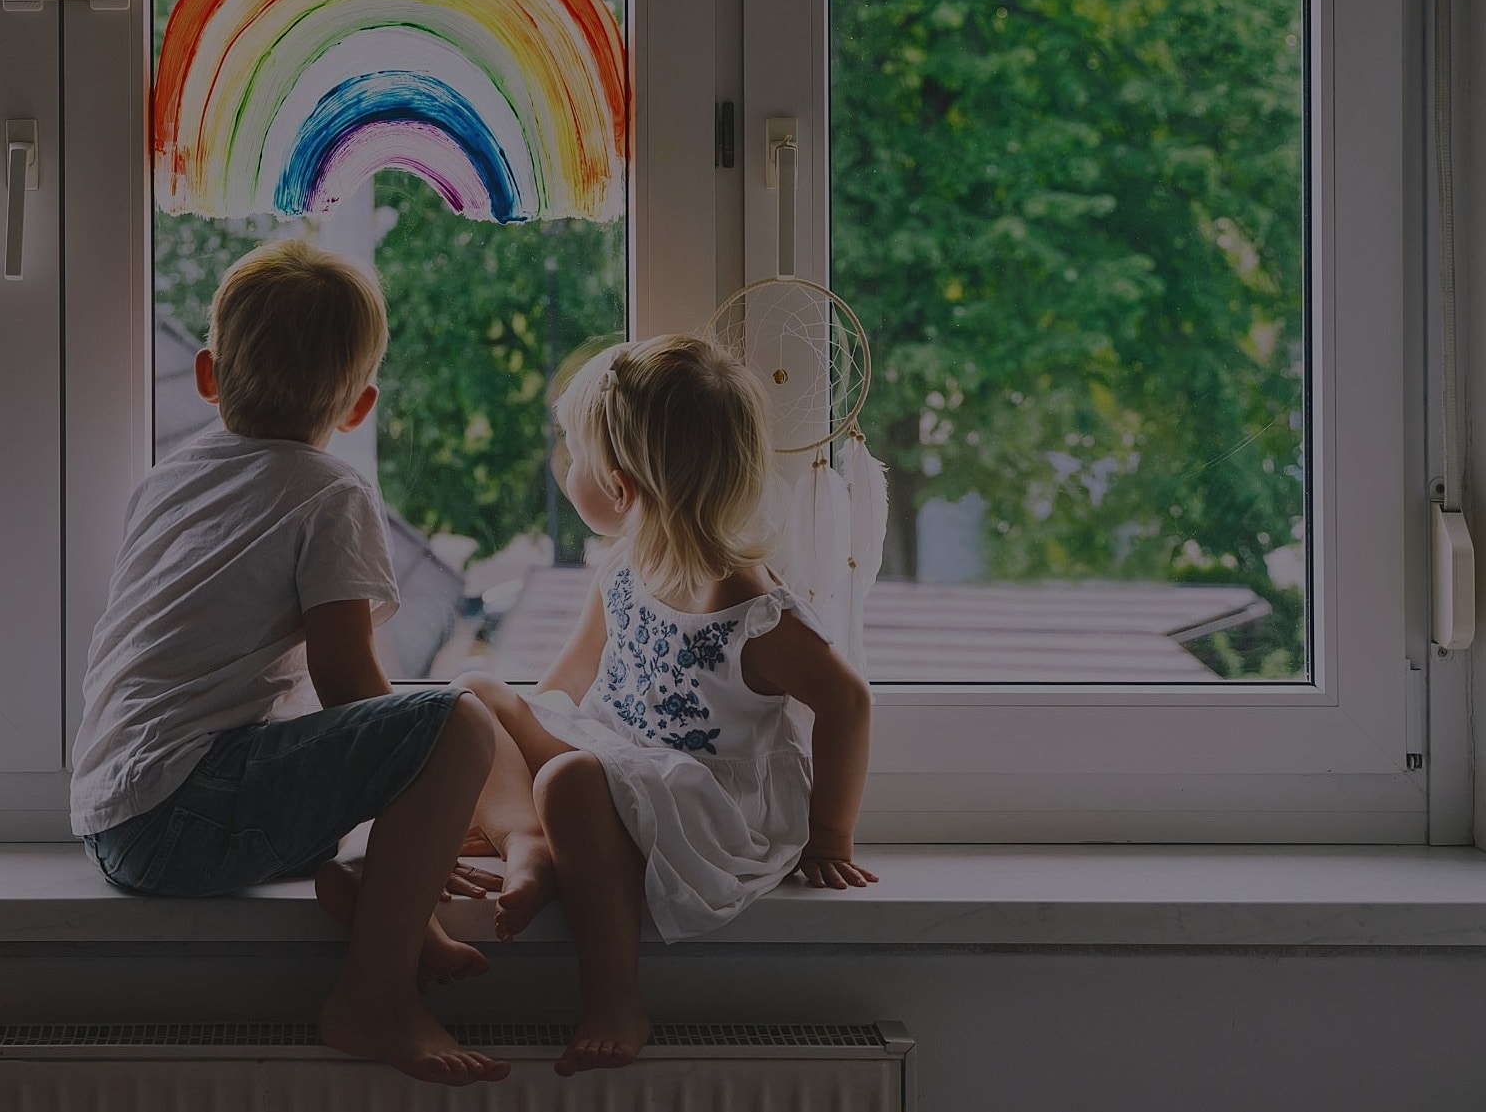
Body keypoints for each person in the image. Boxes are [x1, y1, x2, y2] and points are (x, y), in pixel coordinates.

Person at [68, 239, 510, 1087]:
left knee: (337, 740)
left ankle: (376, 889)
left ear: (206, 374)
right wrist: (423, 790)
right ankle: (373, 997)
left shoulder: (166, 478)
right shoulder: (328, 491)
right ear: (359, 406)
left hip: (111, 811)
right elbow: (348, 681)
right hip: (184, 811)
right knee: (458, 722)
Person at [458, 334, 879, 1076]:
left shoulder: (749, 607)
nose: (566, 472)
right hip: (618, 760)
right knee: (475, 693)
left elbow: (847, 701)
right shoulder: (624, 564)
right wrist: (519, 732)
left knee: (566, 779)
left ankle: (615, 995)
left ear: (619, 487)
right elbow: (565, 680)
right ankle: (527, 840)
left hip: (699, 801)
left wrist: (830, 836)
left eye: (575, 458)